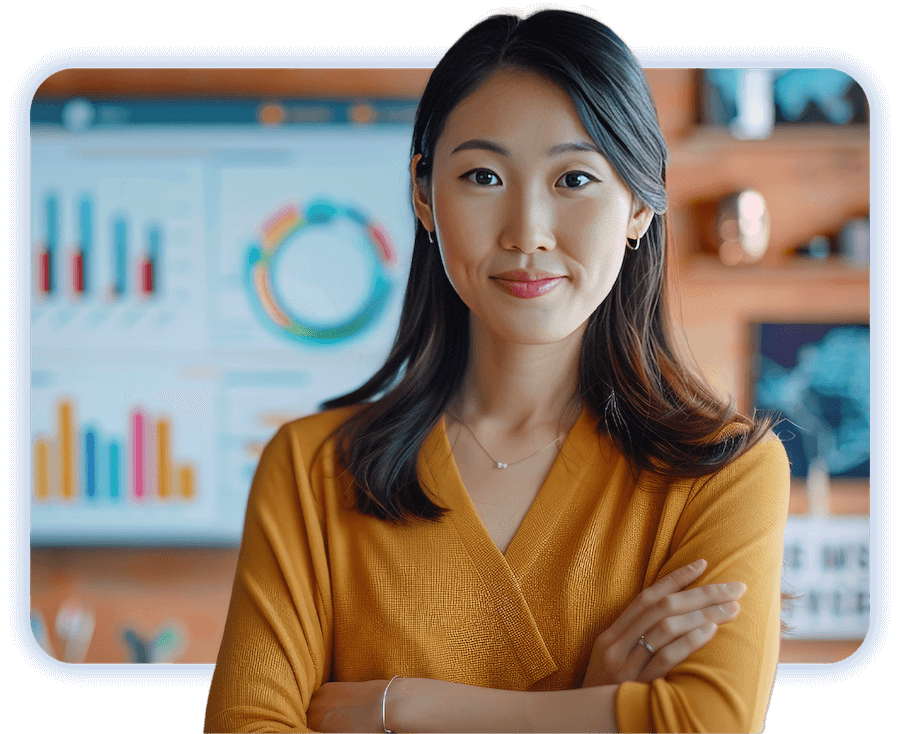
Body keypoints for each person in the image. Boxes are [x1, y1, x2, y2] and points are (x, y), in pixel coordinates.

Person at [204, 7, 789, 733]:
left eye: (574, 178)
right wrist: (595, 710)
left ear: (639, 203)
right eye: (482, 175)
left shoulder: (723, 473)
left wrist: (403, 706)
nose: (527, 233)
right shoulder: (312, 468)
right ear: (424, 194)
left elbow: (707, 723)